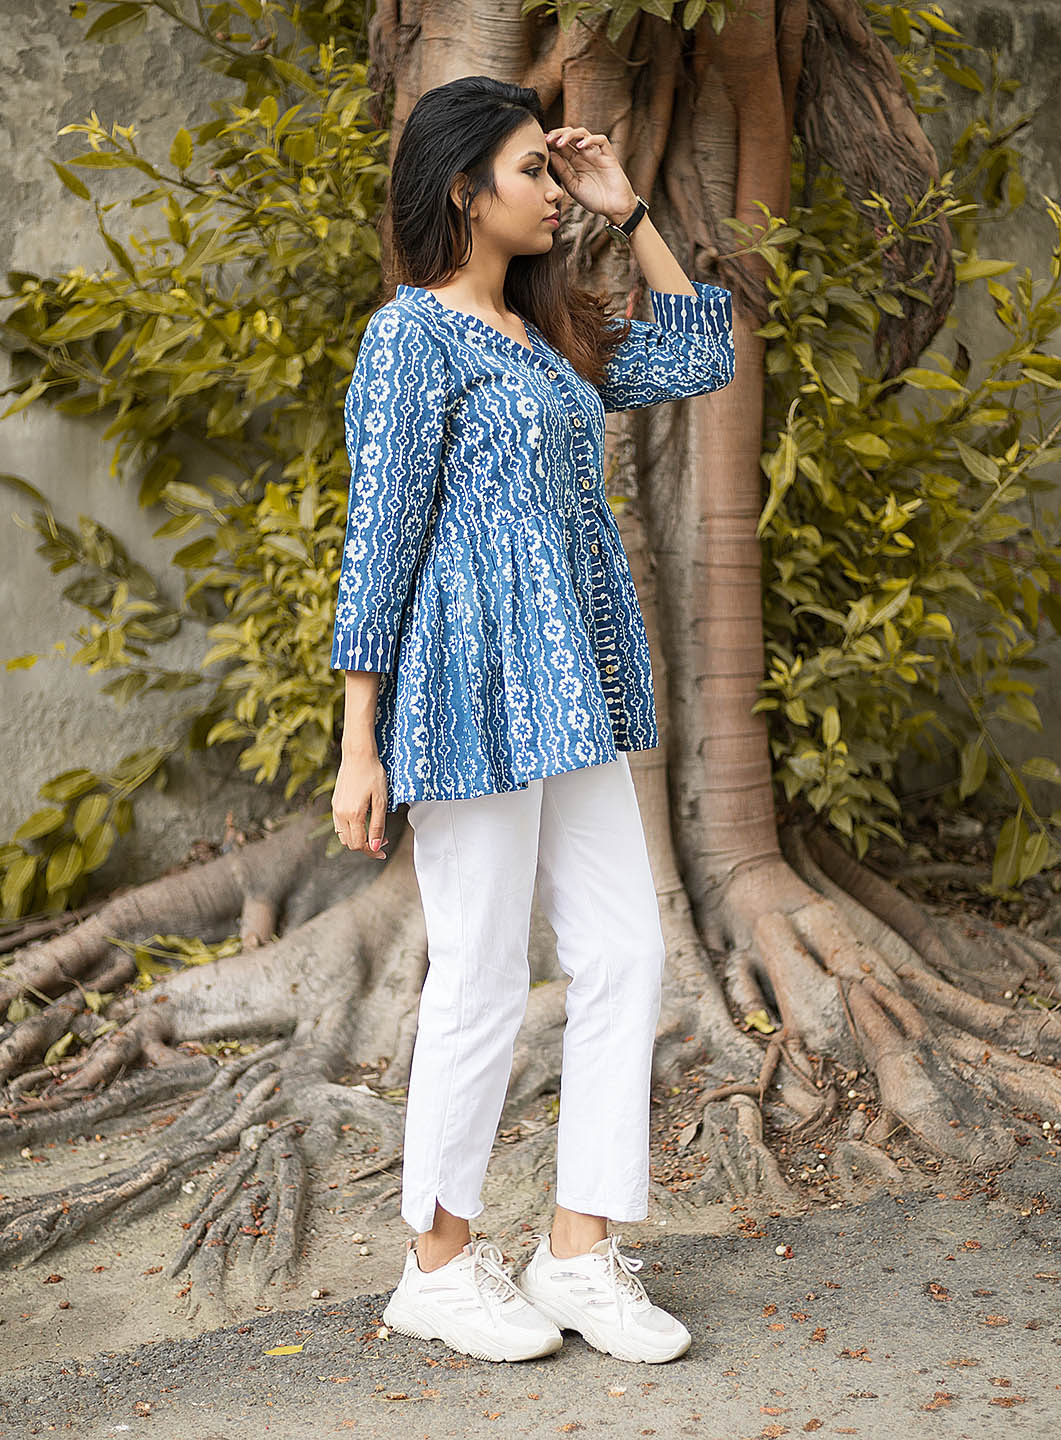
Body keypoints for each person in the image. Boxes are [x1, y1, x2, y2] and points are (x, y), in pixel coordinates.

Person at [330, 74, 734, 1365]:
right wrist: (360, 737)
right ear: (464, 190)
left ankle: (578, 1247)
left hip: (571, 695)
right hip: (463, 694)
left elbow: (704, 346)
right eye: (533, 174)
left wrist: (630, 209)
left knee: (626, 953)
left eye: (555, 177)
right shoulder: (413, 340)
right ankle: (436, 1263)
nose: (553, 193)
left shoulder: (547, 330)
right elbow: (378, 543)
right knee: (484, 977)